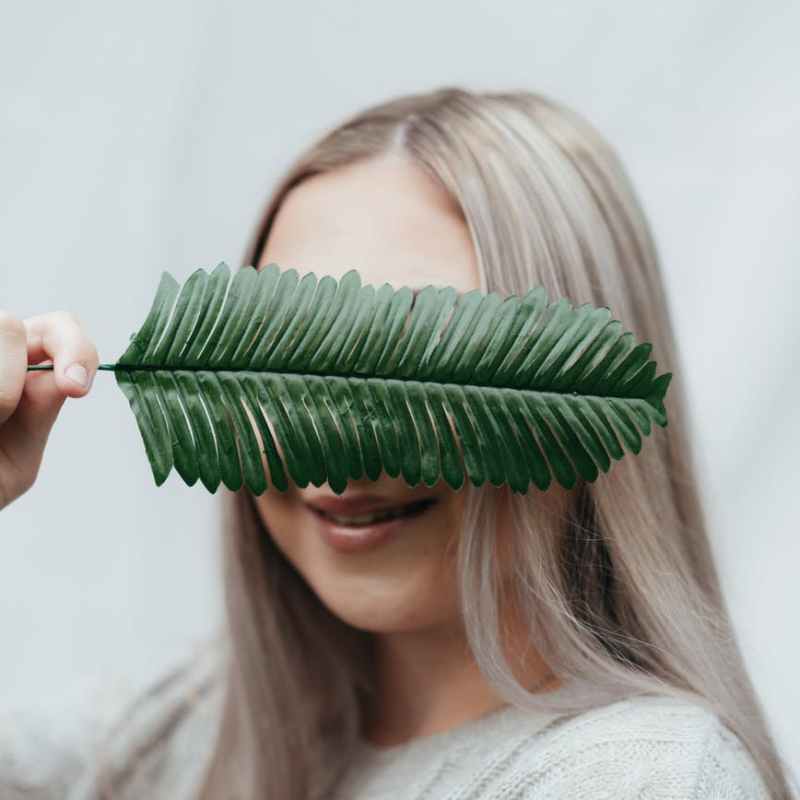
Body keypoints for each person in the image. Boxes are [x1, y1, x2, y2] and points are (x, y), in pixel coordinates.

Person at [0, 86, 795, 799]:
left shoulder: (639, 780)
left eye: (421, 355)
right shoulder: (191, 731)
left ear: (578, 386)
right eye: (286, 357)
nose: (335, 460)